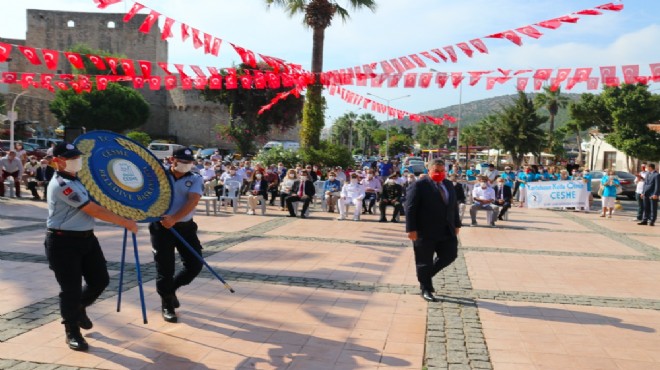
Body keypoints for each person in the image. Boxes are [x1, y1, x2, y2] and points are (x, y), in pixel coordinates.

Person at [45, 142, 138, 351]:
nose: (76, 160)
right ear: (57, 162)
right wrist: (125, 222)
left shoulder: (76, 180)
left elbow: (99, 202)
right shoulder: (62, 184)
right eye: (70, 158)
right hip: (63, 242)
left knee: (100, 280)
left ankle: (79, 308)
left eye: (76, 156)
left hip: (86, 239)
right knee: (71, 289)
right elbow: (92, 209)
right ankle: (72, 331)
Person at [149, 147, 204, 323]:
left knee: (195, 264)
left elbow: (193, 200)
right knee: (165, 268)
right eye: (183, 162)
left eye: (190, 162)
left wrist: (175, 218)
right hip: (161, 228)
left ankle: (171, 289)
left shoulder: (195, 178)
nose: (187, 165)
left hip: (185, 227)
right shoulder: (158, 176)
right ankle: (167, 304)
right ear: (173, 160)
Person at [405, 159, 461, 302]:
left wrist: (456, 224)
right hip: (424, 231)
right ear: (428, 170)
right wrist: (411, 229)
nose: (440, 174)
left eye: (442, 171)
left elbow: (453, 206)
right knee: (424, 261)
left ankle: (425, 276)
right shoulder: (419, 185)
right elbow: (410, 208)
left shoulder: (448, 184)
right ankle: (426, 288)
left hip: (446, 229)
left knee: (450, 255)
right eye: (436, 171)